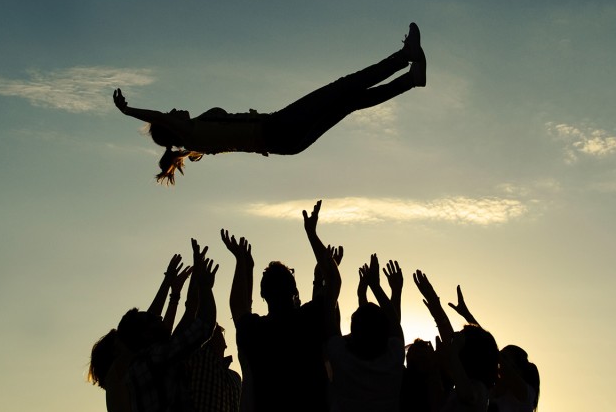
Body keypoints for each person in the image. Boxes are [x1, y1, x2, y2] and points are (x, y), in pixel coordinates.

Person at [113, 23, 426, 184]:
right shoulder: (190, 135)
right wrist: (128, 111)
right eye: (171, 115)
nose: (174, 111)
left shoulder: (196, 140)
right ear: (171, 127)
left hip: (285, 143)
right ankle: (404, 56)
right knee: (342, 89)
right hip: (278, 128)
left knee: (347, 102)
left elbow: (186, 121)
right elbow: (159, 117)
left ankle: (411, 79)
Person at [221, 200, 340, 412]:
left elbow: (238, 306)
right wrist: (311, 234)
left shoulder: (257, 330)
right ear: (294, 290)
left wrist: (241, 262)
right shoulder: (308, 319)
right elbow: (333, 280)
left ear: (263, 294)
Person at [89, 240, 219, 412]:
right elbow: (200, 325)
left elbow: (162, 324)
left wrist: (174, 291)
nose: (159, 319)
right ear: (116, 350)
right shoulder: (147, 362)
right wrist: (201, 286)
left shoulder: (137, 370)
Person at [325, 254, 406, 412]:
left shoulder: (341, 357)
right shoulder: (393, 359)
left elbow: (328, 315)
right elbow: (393, 322)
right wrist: (376, 287)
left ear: (353, 332)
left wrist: (330, 278)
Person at [412, 271, 498, 412]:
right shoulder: (457, 390)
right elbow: (448, 335)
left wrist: (452, 353)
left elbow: (467, 395)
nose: (456, 337)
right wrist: (434, 302)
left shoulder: (479, 390)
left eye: (460, 338)